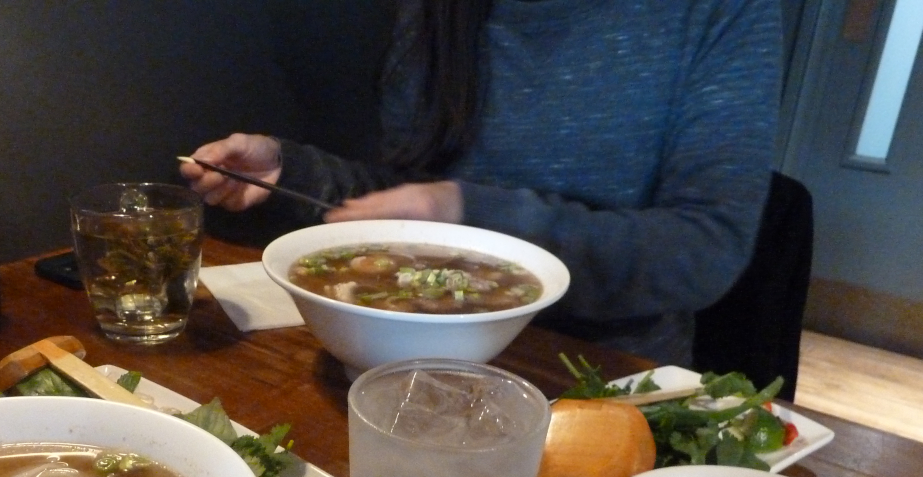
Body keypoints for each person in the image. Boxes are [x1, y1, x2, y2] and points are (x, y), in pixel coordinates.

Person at [180, 0, 783, 365]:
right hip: (414, 354)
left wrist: (468, 211)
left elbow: (704, 248)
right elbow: (413, 201)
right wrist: (299, 171)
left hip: (599, 376)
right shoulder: (439, 13)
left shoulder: (720, 12)